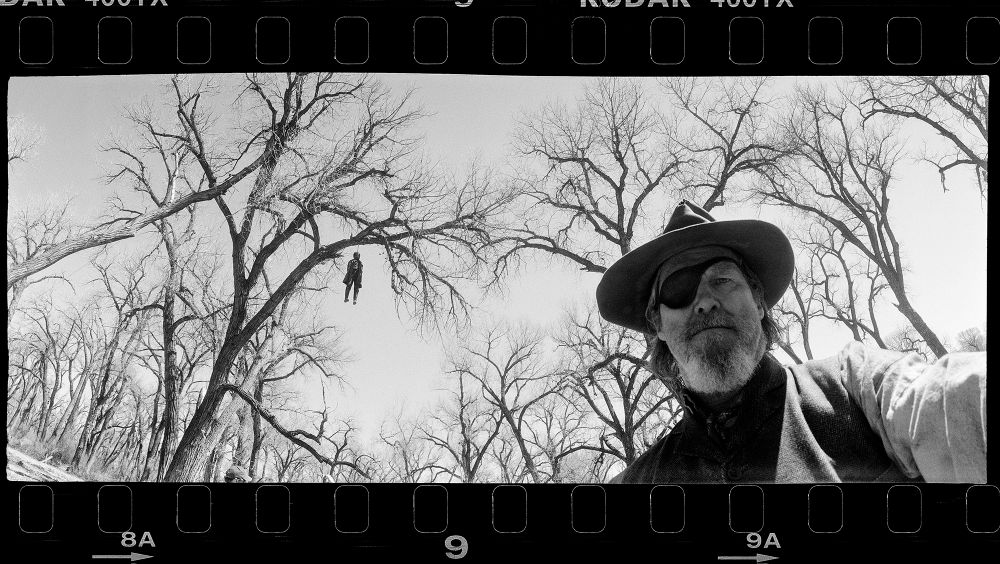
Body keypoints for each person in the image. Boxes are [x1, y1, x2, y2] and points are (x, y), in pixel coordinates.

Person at [596, 200, 986, 483]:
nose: (705, 301)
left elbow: (947, 400)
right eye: (679, 288)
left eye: (722, 279)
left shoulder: (855, 387)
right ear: (657, 324)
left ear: (759, 301)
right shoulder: (638, 484)